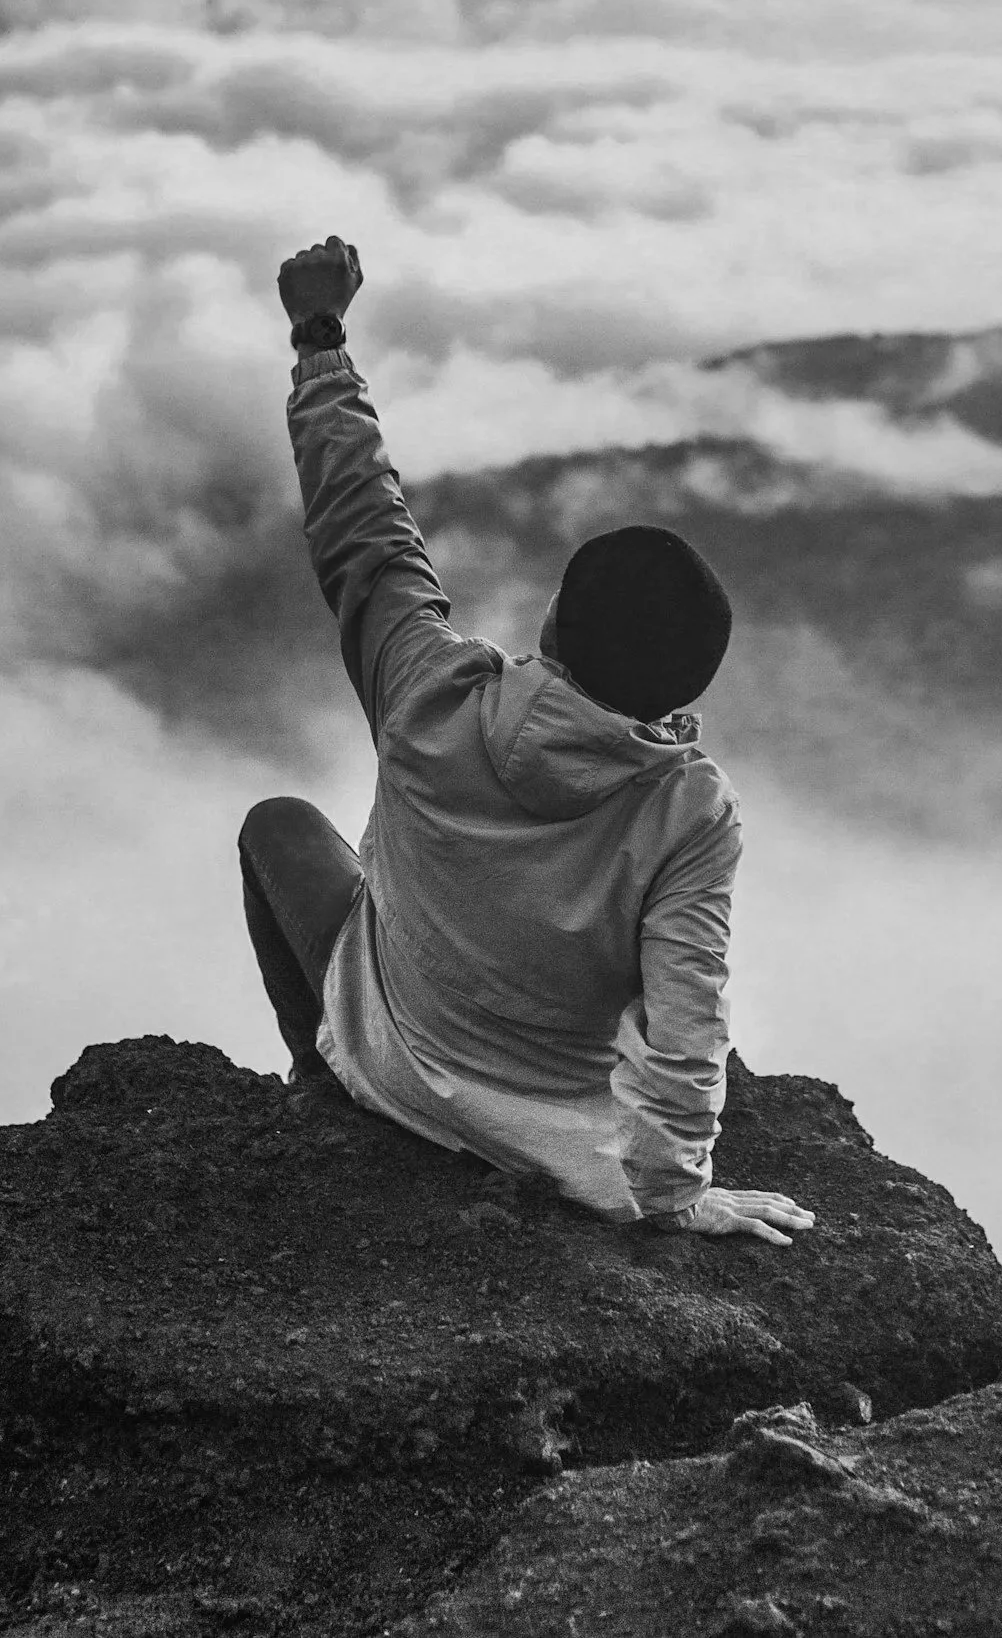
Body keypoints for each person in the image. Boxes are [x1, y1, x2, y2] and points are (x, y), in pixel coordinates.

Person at [237, 234, 814, 1246]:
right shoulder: (689, 809)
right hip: (555, 1135)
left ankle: (318, 1074)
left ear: (553, 627)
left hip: (392, 1057)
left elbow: (365, 531)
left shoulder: (428, 690)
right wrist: (675, 1194)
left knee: (278, 826)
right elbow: (688, 1029)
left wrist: (319, 339)